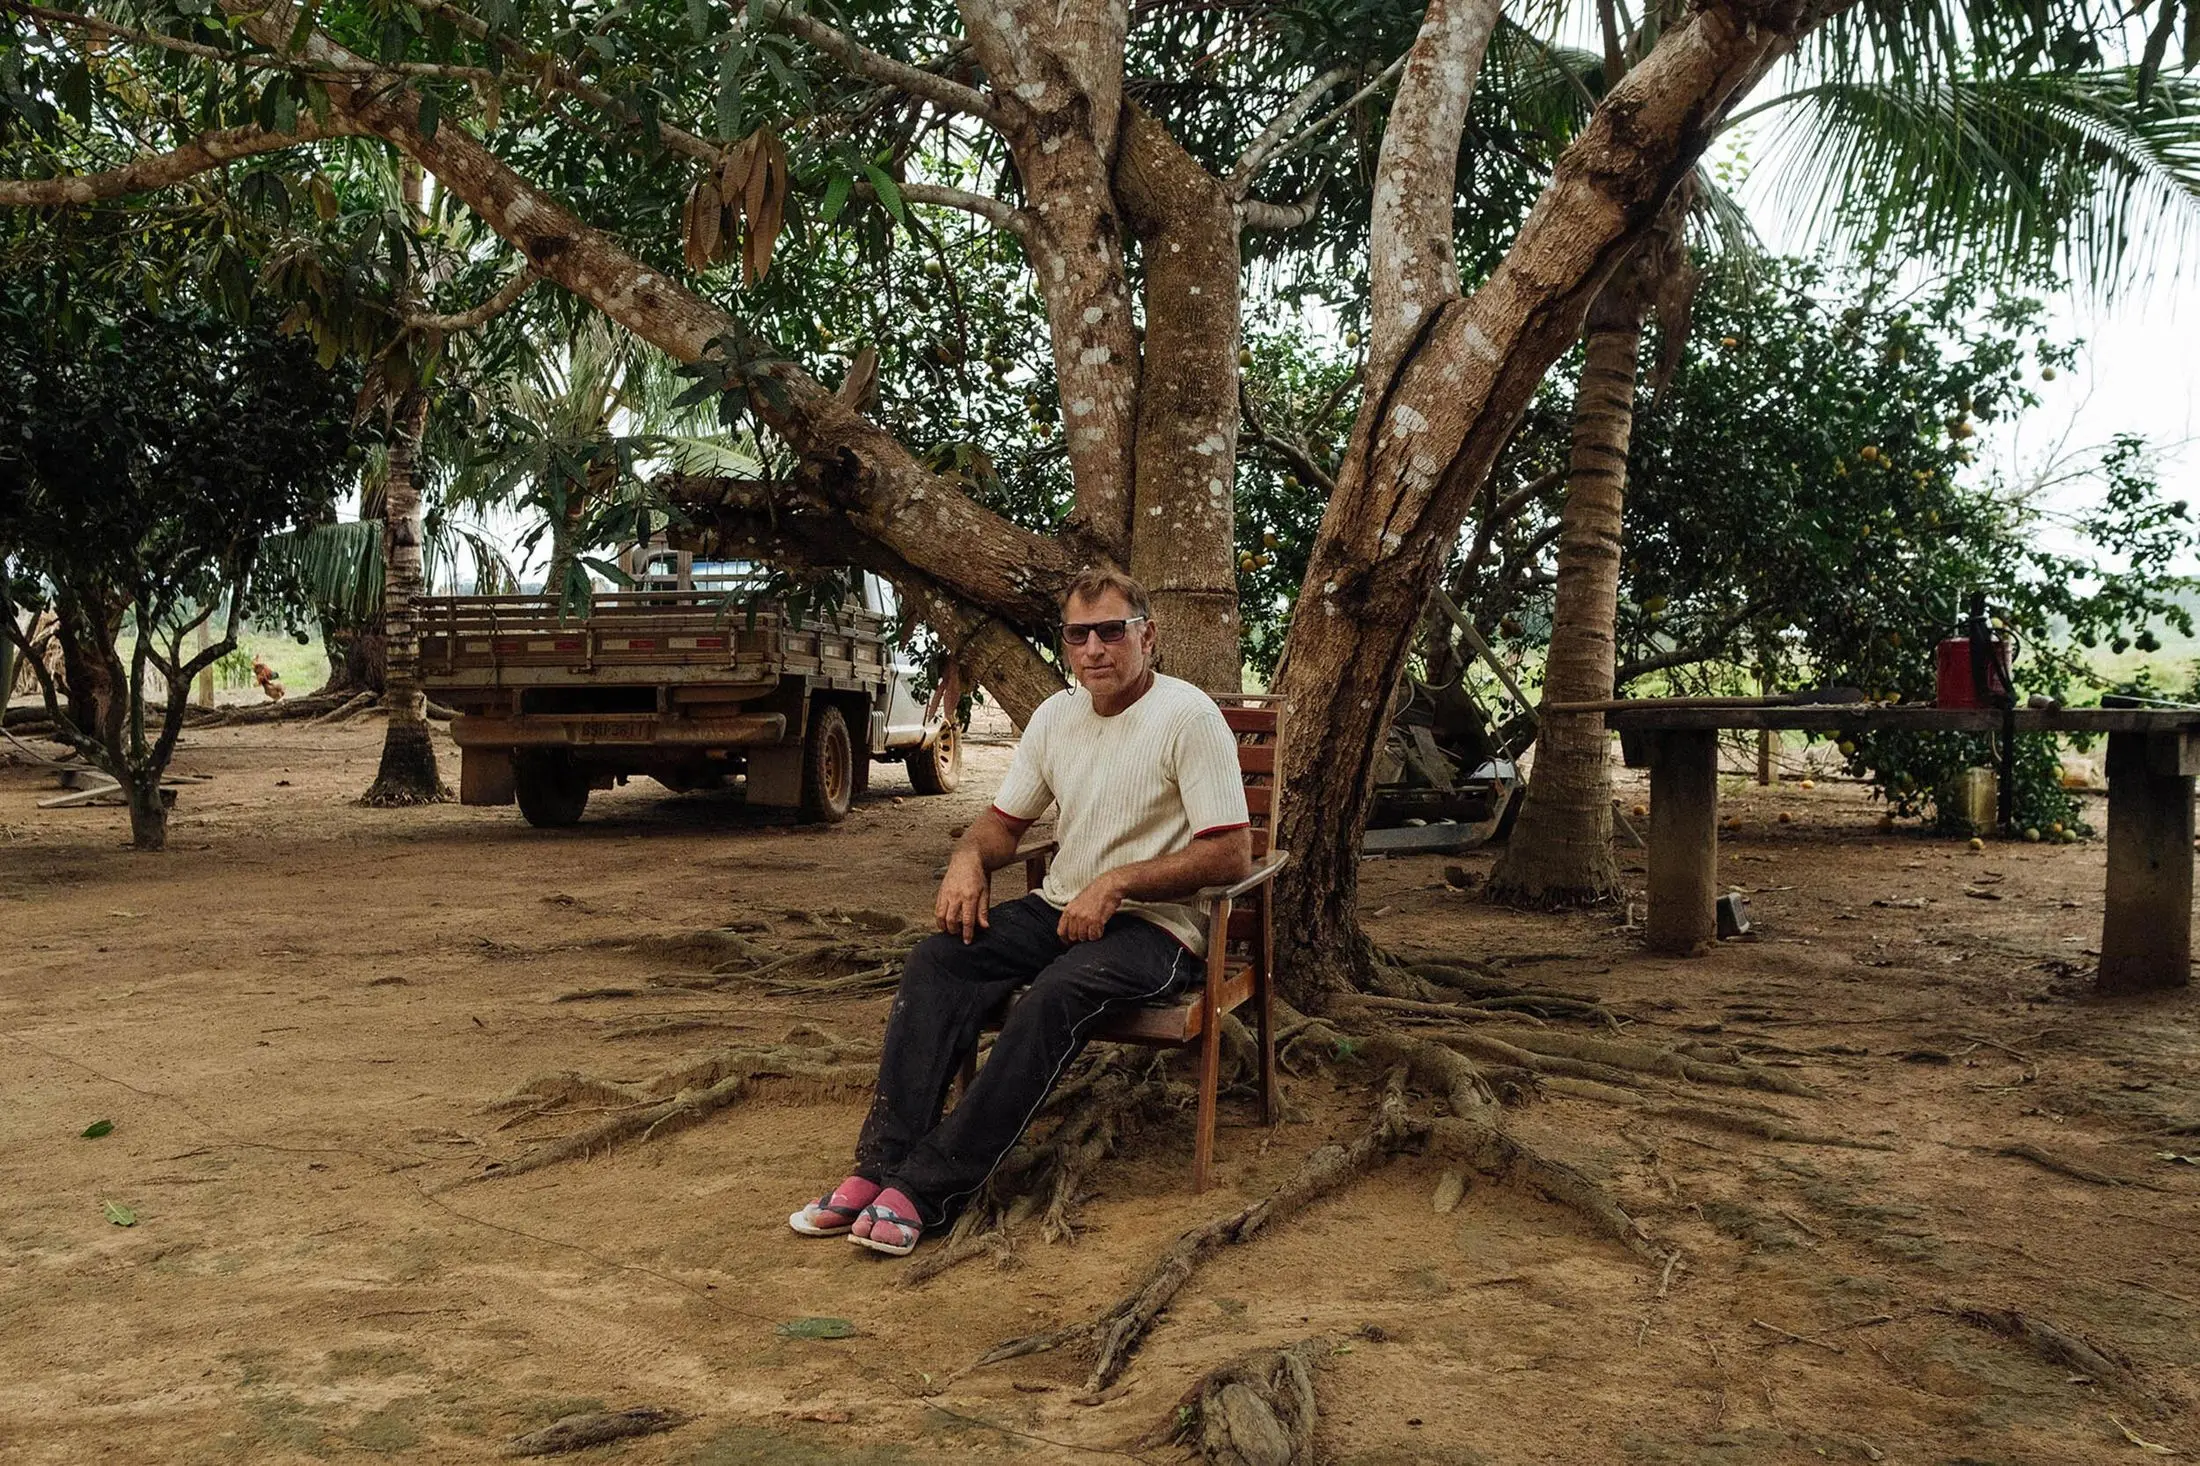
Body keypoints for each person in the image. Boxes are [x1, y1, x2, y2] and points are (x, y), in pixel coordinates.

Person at [789, 568, 1253, 1255]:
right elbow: (1001, 826)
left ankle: (929, 1189)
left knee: (1054, 997)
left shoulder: (1187, 718)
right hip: (1060, 907)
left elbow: (1231, 856)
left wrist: (1120, 882)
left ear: (1147, 636)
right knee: (939, 960)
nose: (1094, 648)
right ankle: (880, 1168)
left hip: (1160, 929)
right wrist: (967, 860)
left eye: (1111, 631)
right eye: (1078, 634)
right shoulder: (1056, 717)